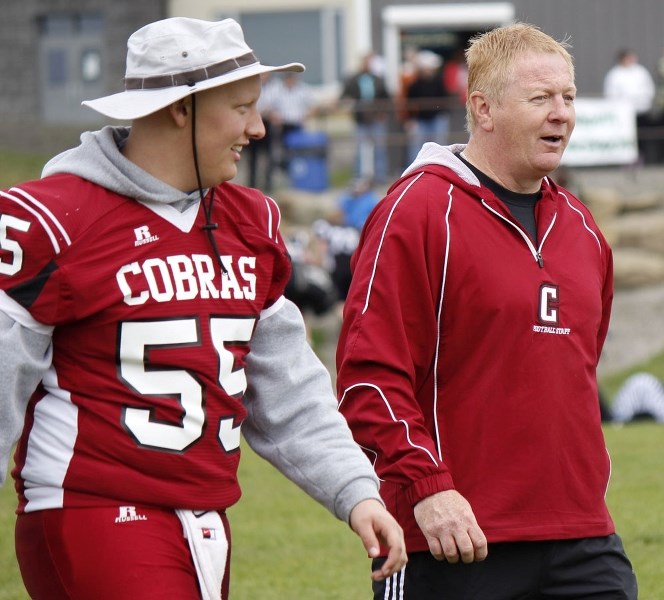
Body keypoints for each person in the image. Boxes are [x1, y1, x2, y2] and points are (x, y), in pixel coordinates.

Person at [0, 17, 406, 600]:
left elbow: (286, 386)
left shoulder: (248, 221)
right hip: (92, 507)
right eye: (242, 107)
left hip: (205, 515)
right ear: (180, 109)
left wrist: (356, 489)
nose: (259, 127)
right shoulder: (54, 218)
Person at [336, 22, 638, 599]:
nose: (562, 114)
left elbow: (577, 368)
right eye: (540, 99)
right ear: (483, 109)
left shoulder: (583, 230)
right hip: (451, 537)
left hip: (581, 535)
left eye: (569, 98)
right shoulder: (416, 211)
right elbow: (368, 378)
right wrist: (427, 487)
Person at [340, 52, 392, 184]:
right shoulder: (353, 79)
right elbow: (344, 96)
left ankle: (380, 177)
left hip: (376, 119)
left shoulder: (378, 79)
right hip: (360, 119)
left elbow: (387, 98)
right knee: (359, 149)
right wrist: (348, 105)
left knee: (379, 149)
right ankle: (358, 177)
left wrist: (383, 113)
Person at [603, 48, 656, 163]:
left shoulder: (641, 71)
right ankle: (629, 161)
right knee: (629, 137)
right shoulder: (614, 75)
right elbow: (610, 95)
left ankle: (645, 160)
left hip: (642, 111)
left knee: (644, 136)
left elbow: (649, 89)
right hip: (624, 114)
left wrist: (644, 101)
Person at [404, 50, 454, 164]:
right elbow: (409, 103)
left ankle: (440, 166)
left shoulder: (438, 82)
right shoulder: (415, 84)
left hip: (436, 118)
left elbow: (445, 98)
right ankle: (416, 168)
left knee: (440, 146)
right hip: (420, 119)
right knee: (416, 146)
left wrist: (443, 113)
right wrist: (410, 119)